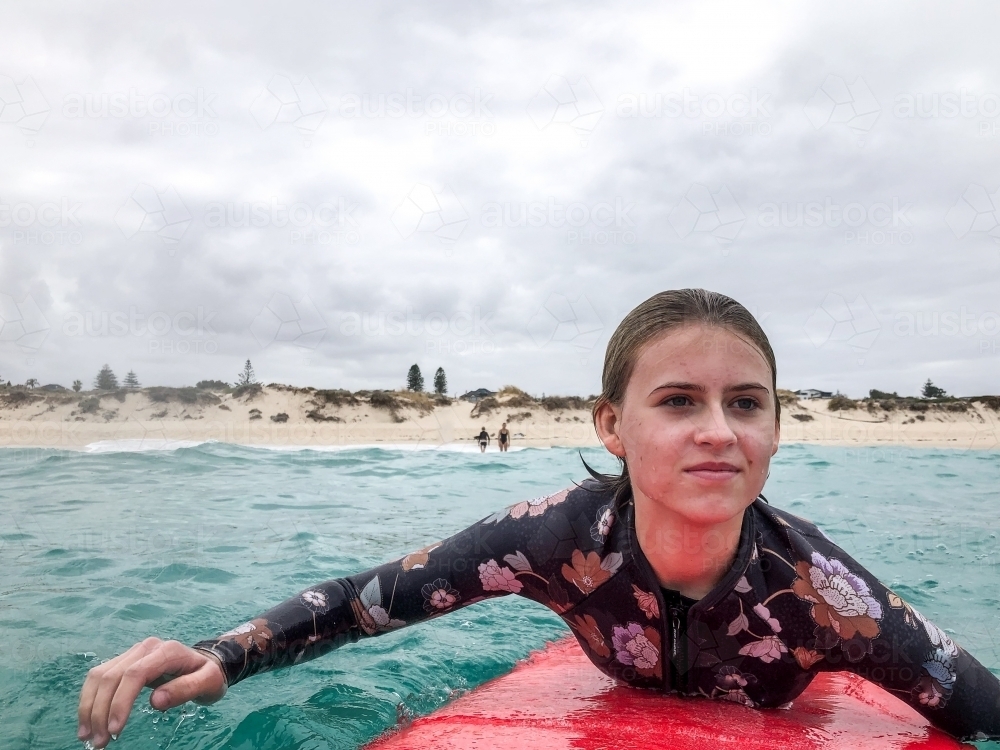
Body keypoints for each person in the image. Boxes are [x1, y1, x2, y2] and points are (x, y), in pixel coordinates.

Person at [77, 290, 1000, 748]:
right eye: (678, 400)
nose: (719, 433)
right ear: (612, 425)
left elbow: (986, 709)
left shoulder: (825, 597)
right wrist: (222, 656)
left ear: (775, 429)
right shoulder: (558, 538)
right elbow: (367, 603)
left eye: (747, 404)